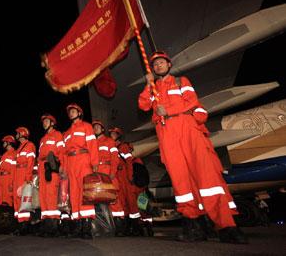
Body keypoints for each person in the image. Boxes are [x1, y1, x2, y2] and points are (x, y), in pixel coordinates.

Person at [138, 51, 246, 244]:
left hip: (187, 129)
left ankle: (226, 226)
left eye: (162, 63)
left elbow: (193, 102)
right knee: (181, 183)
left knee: (207, 178)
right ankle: (194, 226)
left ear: (169, 65)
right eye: (155, 65)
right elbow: (143, 105)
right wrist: (148, 84)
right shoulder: (153, 89)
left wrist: (169, 110)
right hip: (167, 135)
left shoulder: (181, 81)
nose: (158, 66)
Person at [61, 103, 99, 239]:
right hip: (71, 163)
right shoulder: (66, 133)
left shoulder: (86, 127)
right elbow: (64, 153)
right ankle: (77, 225)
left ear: (79, 113)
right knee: (74, 193)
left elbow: (92, 145)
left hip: (83, 160)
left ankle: (87, 226)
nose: (71, 113)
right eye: (69, 112)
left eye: (73, 111)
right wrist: (64, 168)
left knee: (85, 192)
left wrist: (94, 163)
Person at [92, 120, 125, 236]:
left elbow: (115, 158)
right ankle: (104, 228)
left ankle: (120, 228)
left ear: (102, 129)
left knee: (113, 200)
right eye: (94, 127)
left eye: (98, 127)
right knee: (99, 201)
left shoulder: (109, 141)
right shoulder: (92, 143)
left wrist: (112, 172)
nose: (95, 128)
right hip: (96, 175)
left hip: (107, 172)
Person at [38, 113, 64, 237]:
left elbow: (62, 152)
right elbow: (39, 159)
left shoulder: (57, 135)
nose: (44, 123)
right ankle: (46, 225)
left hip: (52, 168)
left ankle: (53, 227)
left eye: (46, 121)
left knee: (51, 196)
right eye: (43, 122)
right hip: (42, 170)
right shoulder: (42, 139)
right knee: (43, 196)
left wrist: (62, 165)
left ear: (52, 123)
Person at [13, 126, 36, 235]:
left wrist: (27, 179)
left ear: (22, 133)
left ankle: (24, 226)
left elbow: (30, 163)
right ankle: (19, 224)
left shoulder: (30, 145)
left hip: (23, 175)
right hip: (17, 175)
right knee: (17, 201)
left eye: (17, 133)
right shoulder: (19, 148)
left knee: (24, 201)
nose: (16, 135)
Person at [0, 135, 16, 207]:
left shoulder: (14, 153)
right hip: (1, 179)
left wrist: (11, 183)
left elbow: (14, 170)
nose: (3, 144)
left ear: (9, 143)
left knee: (7, 200)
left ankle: (8, 217)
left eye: (4, 142)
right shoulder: (4, 155)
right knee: (0, 201)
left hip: (8, 179)